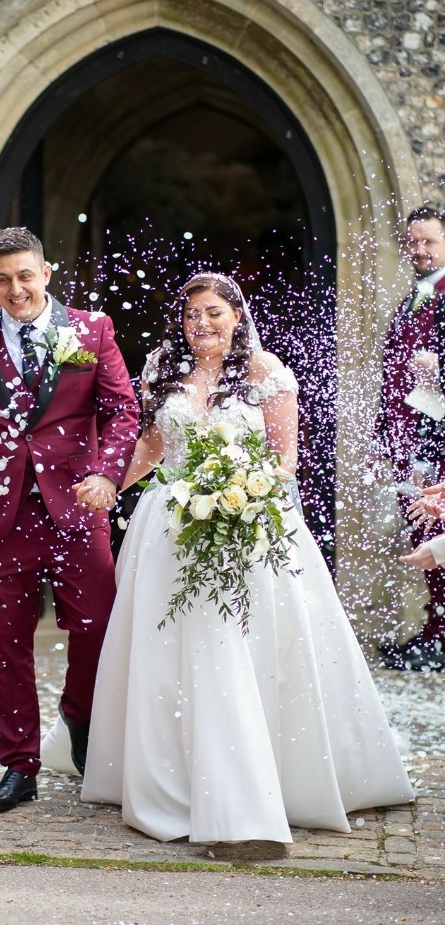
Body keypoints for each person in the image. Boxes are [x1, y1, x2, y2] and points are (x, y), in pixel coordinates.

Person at [71, 271, 414, 846]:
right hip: (168, 527)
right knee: (164, 651)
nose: (200, 324)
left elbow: (285, 459)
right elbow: (153, 447)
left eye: (212, 313)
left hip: (246, 524)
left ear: (236, 315)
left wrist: (240, 492)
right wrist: (105, 484)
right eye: (190, 315)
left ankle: (254, 777)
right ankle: (168, 776)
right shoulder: (162, 366)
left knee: (235, 648)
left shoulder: (268, 373)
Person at [0, 226, 139, 813]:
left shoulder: (89, 331)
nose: (16, 289)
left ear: (45, 273)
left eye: (25, 275)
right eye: (3, 279)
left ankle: (81, 720)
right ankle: (19, 767)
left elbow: (122, 410)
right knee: (6, 646)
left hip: (76, 510)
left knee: (95, 627)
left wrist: (107, 474)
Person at [371, 205, 445, 670]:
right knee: (426, 534)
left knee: (441, 533)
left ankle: (439, 636)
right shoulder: (410, 299)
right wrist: (383, 441)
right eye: (413, 242)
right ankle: (435, 628)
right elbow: (392, 380)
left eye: (429, 242)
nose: (419, 250)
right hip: (409, 441)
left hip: (440, 440)